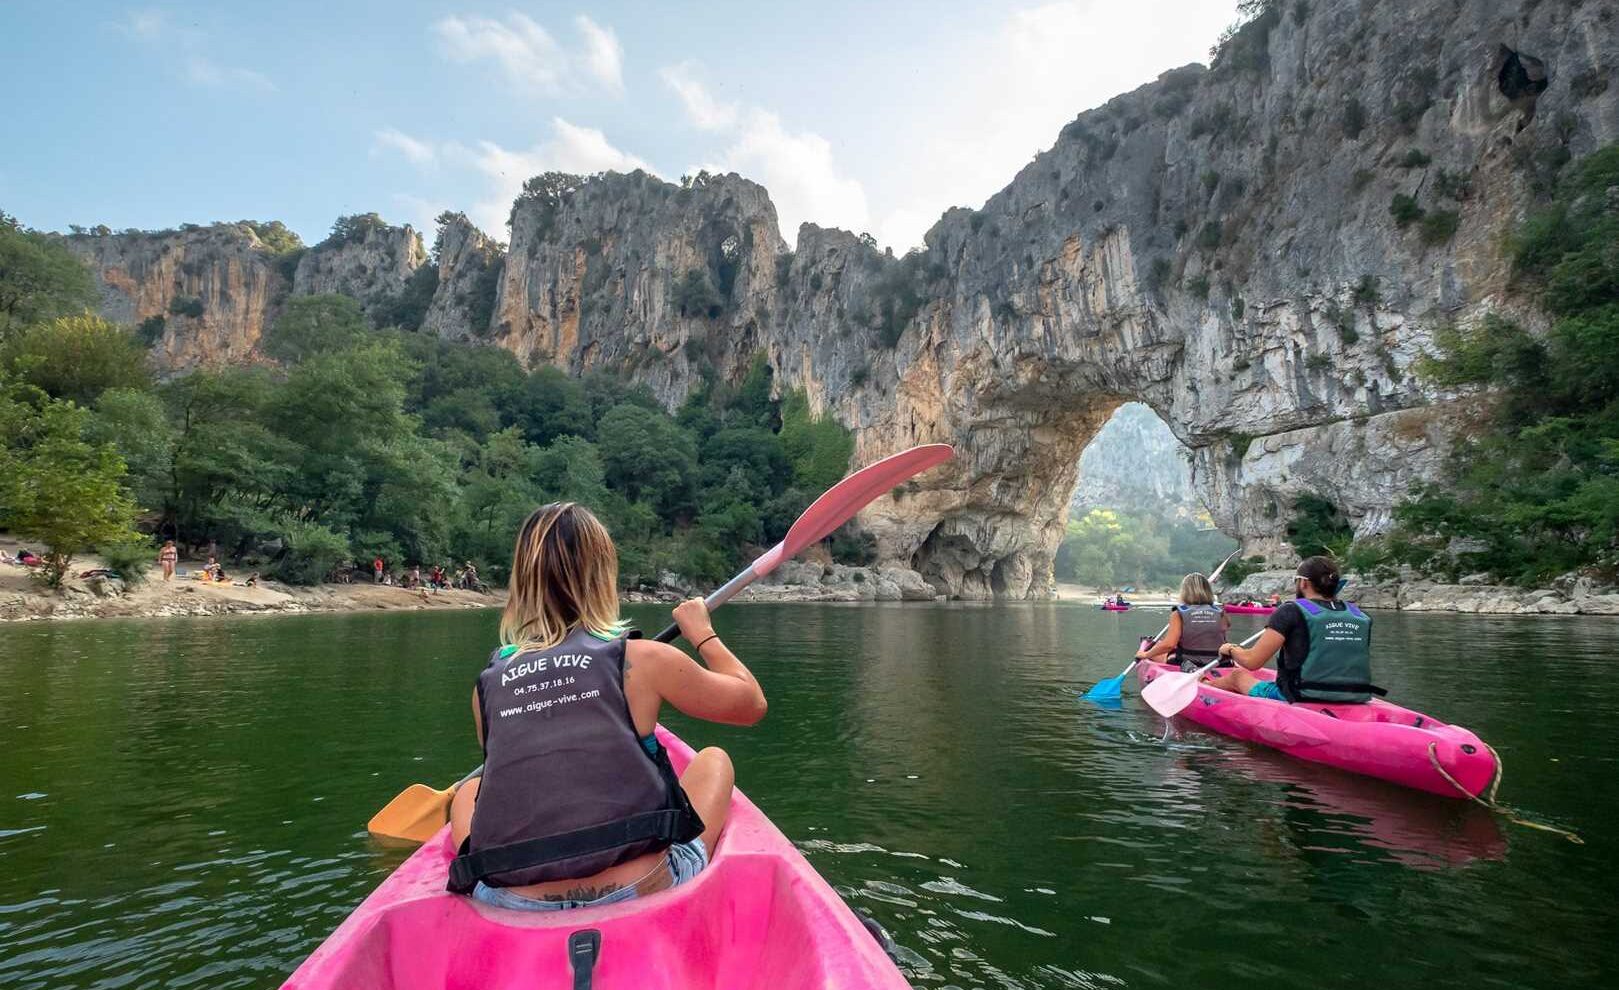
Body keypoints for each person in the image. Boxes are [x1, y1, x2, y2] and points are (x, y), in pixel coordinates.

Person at [447, 502, 766, 911]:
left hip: (510, 899)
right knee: (715, 759)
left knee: (468, 790)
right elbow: (751, 703)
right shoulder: (643, 659)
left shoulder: (488, 684)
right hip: (641, 886)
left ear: (522, 581)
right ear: (603, 575)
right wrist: (702, 634)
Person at [1206, 556, 1384, 703]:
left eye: (1296, 581)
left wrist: (1230, 649)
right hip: (1357, 695)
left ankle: (1203, 687)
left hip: (1299, 695)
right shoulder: (1359, 614)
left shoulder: (1290, 611)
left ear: (1304, 583)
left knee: (1237, 676)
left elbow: (1252, 662)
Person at [1136, 572, 1230, 672]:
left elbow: (1169, 645)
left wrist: (1145, 654)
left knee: (1158, 655)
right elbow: (1215, 633)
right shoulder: (1221, 612)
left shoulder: (1178, 613)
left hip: (1188, 663)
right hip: (1219, 663)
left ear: (1185, 592)